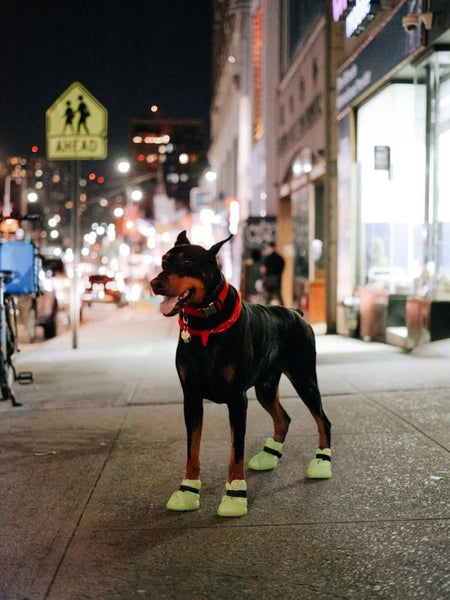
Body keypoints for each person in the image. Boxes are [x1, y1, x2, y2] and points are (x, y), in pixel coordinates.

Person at [260, 241, 285, 305]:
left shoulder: (267, 258)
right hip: (277, 279)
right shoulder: (280, 258)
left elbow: (263, 270)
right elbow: (282, 269)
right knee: (279, 296)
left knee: (268, 296)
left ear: (271, 248)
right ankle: (285, 311)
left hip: (269, 279)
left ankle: (265, 312)